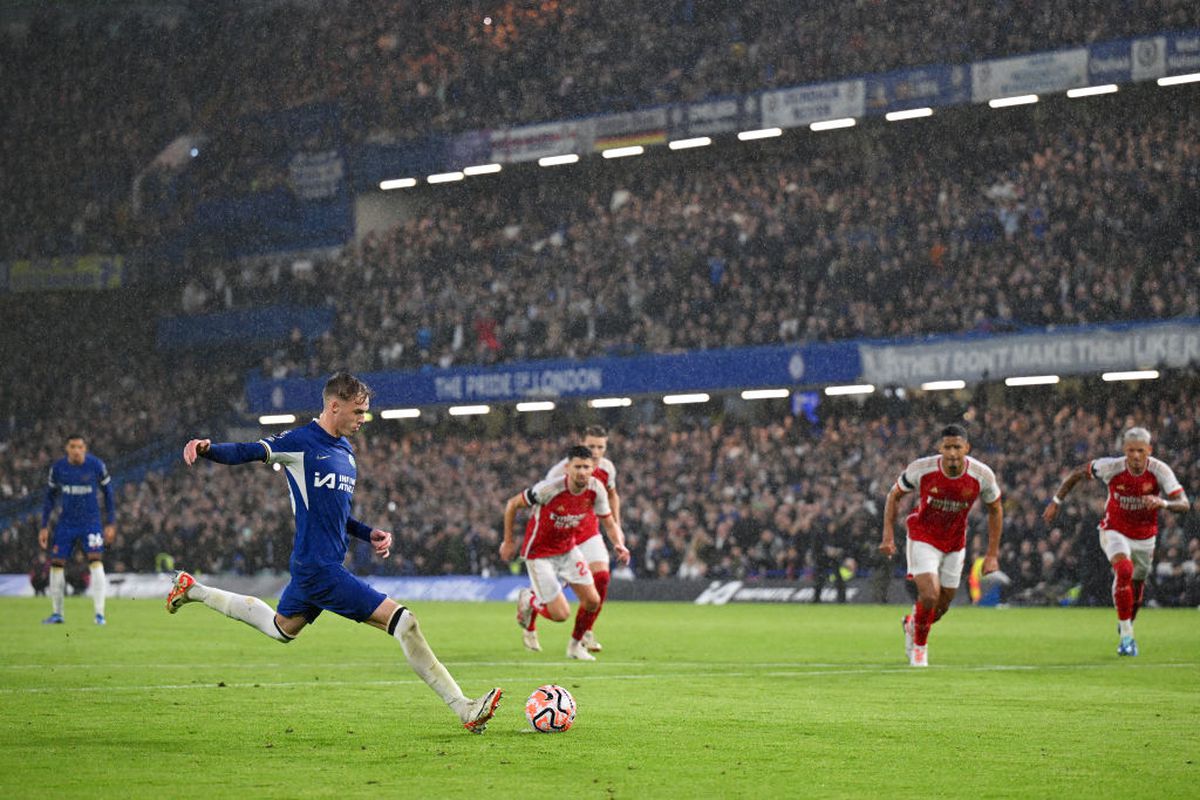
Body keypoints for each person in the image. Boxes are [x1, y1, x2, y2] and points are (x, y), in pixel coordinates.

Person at [168, 371, 502, 733]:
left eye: (365, 413)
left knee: (282, 629)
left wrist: (367, 532)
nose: (362, 420)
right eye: (358, 412)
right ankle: (464, 707)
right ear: (334, 406)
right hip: (319, 567)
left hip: (317, 565)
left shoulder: (345, 451)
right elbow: (250, 450)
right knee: (404, 621)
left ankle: (194, 590)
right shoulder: (300, 442)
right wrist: (209, 449)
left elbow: (337, 513)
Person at [1042, 427, 1188, 656]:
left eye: (1141, 450)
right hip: (1114, 530)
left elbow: (1184, 503)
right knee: (1124, 569)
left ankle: (1126, 622)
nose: (1136, 456)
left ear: (1149, 450)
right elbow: (1077, 473)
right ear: (1124, 450)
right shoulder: (1111, 466)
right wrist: (1056, 501)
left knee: (1137, 590)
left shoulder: (1160, 470)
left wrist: (1163, 504)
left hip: (1146, 537)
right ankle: (1127, 638)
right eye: (1131, 451)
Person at [879, 424, 1003, 667]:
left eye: (958, 447)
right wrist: (888, 535)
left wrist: (992, 554)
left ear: (967, 448)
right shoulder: (922, 468)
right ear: (940, 448)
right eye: (948, 447)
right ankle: (919, 650)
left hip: (955, 543)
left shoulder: (982, 475)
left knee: (943, 605)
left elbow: (996, 509)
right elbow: (894, 495)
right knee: (929, 594)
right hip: (923, 536)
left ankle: (912, 625)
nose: (953, 452)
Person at [500, 444, 629, 661]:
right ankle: (530, 599)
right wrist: (508, 541)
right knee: (560, 615)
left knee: (592, 600)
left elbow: (608, 521)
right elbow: (512, 504)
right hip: (540, 555)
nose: (582, 472)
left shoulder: (596, 489)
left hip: (568, 550)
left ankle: (575, 647)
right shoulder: (548, 489)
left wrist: (619, 544)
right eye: (577, 467)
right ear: (567, 467)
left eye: (586, 467)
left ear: (592, 468)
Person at [536, 425, 622, 653]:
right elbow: (544, 506)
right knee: (555, 594)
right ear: (582, 442)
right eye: (591, 445)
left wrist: (617, 529)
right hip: (563, 536)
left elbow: (613, 497)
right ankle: (531, 603)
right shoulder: (557, 473)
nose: (595, 451)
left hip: (589, 532)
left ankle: (584, 633)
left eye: (600, 447)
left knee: (602, 578)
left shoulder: (607, 469)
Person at [38, 434, 116, 625]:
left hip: (91, 522)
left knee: (95, 560)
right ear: (67, 449)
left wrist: (111, 523)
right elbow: (49, 498)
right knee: (56, 563)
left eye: (80, 447)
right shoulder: (58, 469)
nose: (76, 450)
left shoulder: (96, 465)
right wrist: (44, 526)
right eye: (73, 446)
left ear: (85, 448)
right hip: (66, 523)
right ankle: (57, 614)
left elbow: (109, 494)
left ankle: (99, 614)